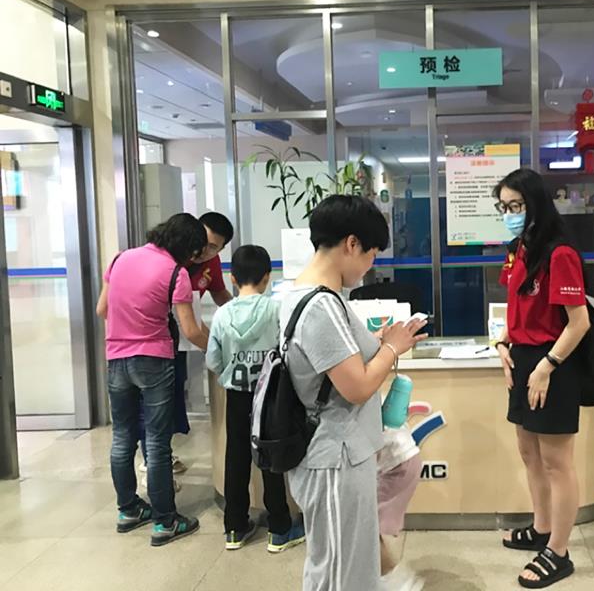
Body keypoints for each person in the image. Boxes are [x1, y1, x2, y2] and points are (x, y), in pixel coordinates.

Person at [281, 195, 427, 591]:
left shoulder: (309, 297)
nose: (370, 264)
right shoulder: (320, 306)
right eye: (372, 253)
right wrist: (392, 348)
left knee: (349, 564)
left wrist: (378, 343)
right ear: (351, 244)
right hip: (334, 458)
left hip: (340, 454)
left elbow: (336, 365)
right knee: (337, 573)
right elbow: (357, 386)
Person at [494, 168, 591, 589]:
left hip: (553, 364)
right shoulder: (520, 249)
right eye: (503, 207)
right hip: (523, 359)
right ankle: (541, 528)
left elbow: (579, 322)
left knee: (556, 462)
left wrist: (546, 366)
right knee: (529, 453)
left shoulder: (559, 253)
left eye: (516, 206)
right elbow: (515, 305)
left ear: (535, 204)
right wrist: (503, 341)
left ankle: (560, 551)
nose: (509, 214)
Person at [95, 213, 210, 547]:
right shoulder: (176, 273)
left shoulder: (120, 259)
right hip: (154, 360)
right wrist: (217, 348)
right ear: (187, 248)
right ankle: (165, 521)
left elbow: (103, 309)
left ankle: (129, 510)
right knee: (157, 442)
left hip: (116, 358)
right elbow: (190, 330)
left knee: (122, 437)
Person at [205, 244, 305, 553]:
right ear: (267, 277)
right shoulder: (275, 310)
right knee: (270, 455)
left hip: (237, 394)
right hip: (271, 395)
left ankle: (235, 527)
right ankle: (279, 529)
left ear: (232, 278)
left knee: (236, 457)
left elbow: (213, 360)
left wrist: (230, 373)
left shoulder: (222, 314)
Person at [139, 211, 234, 483]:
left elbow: (218, 292)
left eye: (215, 248)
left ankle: (161, 454)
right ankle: (151, 459)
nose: (206, 252)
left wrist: (243, 309)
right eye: (205, 244)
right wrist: (213, 348)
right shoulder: (170, 261)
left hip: (180, 339)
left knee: (172, 395)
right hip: (155, 339)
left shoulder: (210, 262)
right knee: (154, 400)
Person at [378, 422, 424, 591]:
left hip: (396, 466)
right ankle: (392, 579)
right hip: (401, 461)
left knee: (366, 529)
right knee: (367, 528)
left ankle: (395, 582)